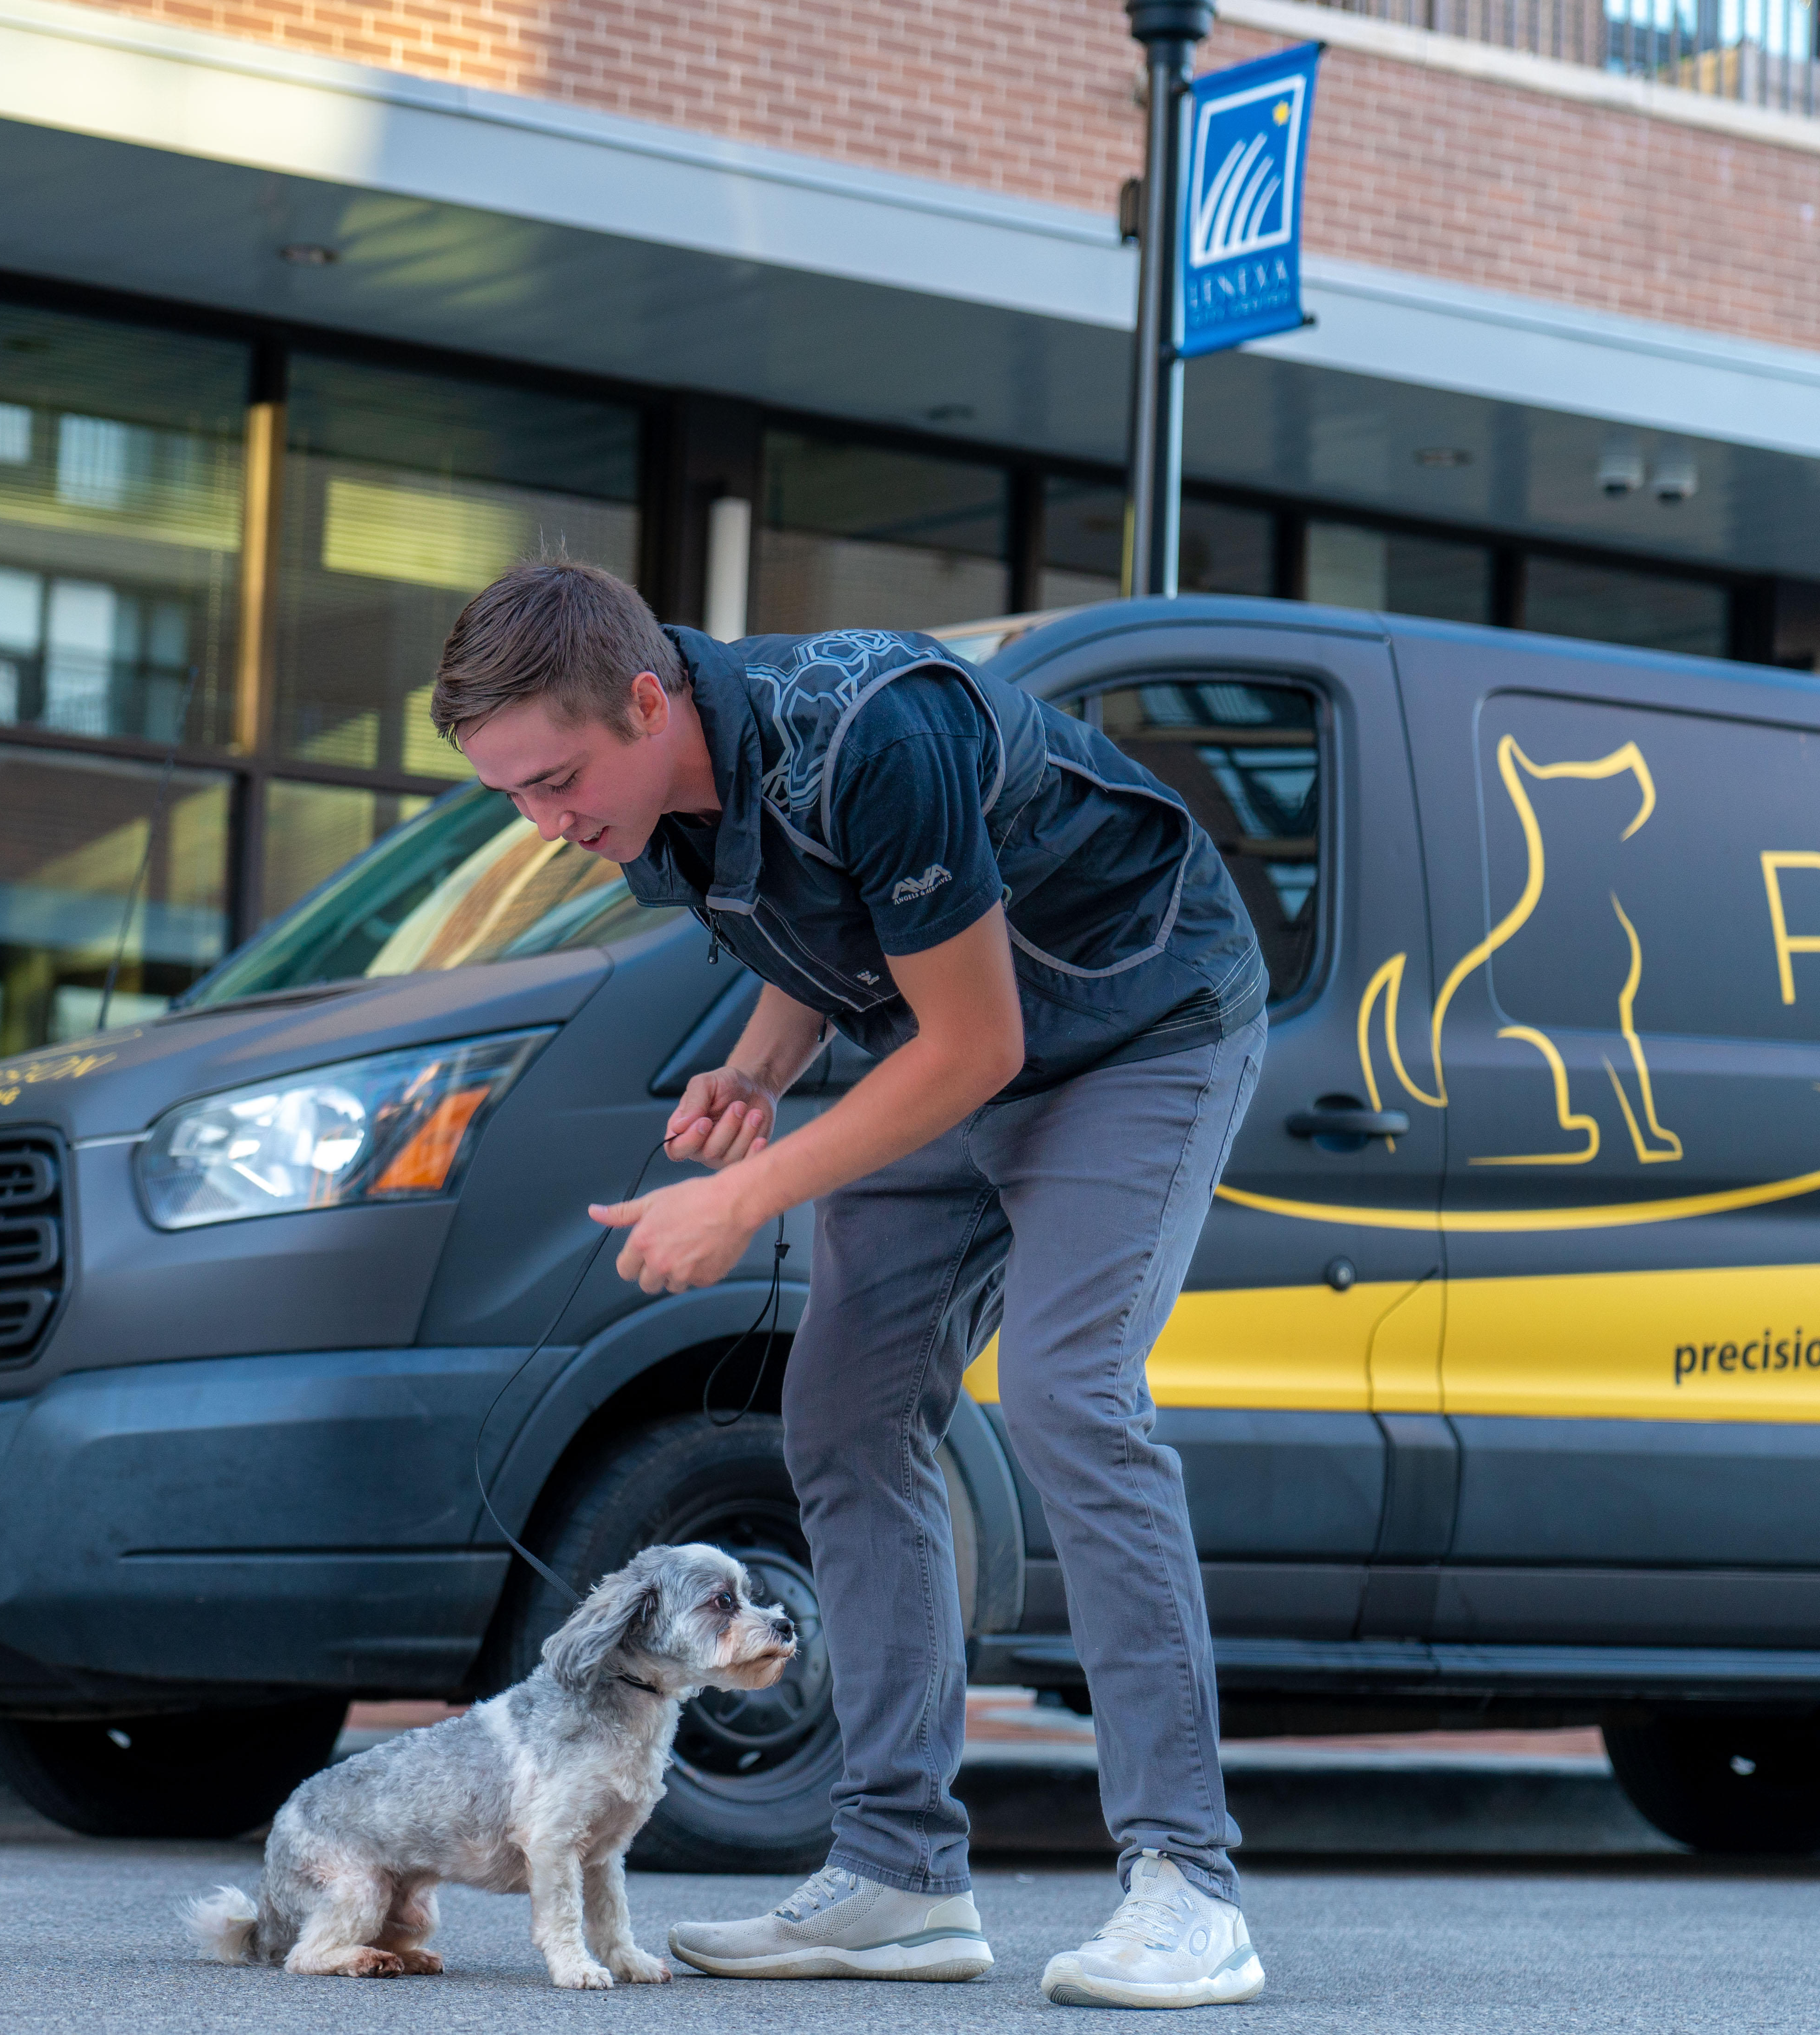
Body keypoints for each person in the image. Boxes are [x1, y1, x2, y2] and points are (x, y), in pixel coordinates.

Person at [435, 563, 1272, 2010]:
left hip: (1140, 1025)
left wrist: (744, 1194)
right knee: (841, 1417)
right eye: (513, 795)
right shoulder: (647, 796)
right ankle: (901, 1875)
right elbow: (829, 927)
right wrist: (754, 1076)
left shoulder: (875, 729)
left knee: (1075, 1395)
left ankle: (1189, 1884)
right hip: (954, 1032)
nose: (548, 823)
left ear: (649, 697)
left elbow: (976, 1046)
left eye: (558, 781)